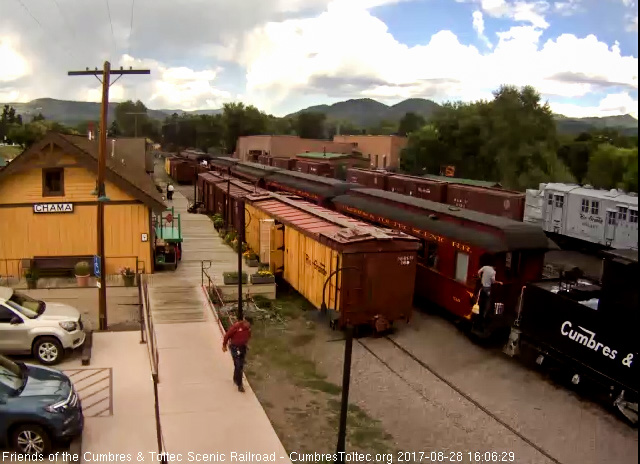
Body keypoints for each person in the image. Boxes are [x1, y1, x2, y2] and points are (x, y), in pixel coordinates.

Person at [222, 316, 253, 392]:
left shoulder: (248, 329)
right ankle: (240, 385)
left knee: (240, 365)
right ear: (245, 322)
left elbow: (248, 336)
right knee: (238, 365)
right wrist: (224, 345)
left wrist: (246, 343)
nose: (249, 326)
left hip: (243, 348)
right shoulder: (236, 326)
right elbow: (227, 335)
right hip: (235, 347)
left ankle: (236, 378)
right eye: (249, 324)